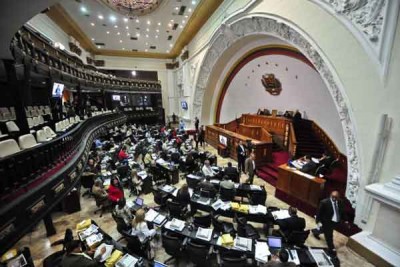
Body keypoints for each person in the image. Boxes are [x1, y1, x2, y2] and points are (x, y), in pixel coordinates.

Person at [313, 191, 348, 255]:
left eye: (336, 197)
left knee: (325, 230)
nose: (334, 199)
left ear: (338, 197)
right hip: (327, 221)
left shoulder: (340, 202)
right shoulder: (324, 202)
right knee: (329, 235)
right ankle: (331, 248)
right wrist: (318, 221)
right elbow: (319, 212)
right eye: (333, 197)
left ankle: (315, 232)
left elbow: (342, 211)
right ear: (330, 196)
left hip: (336, 221)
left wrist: (346, 220)